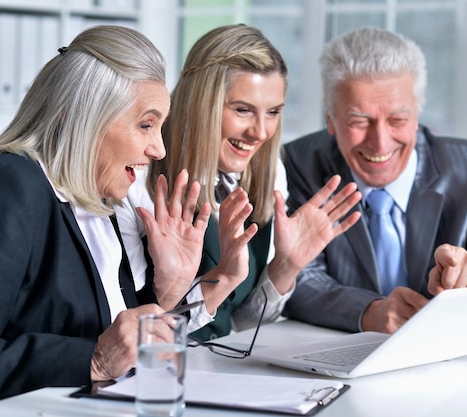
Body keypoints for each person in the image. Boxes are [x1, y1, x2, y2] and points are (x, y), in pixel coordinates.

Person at [0, 25, 210, 400]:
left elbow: (119, 338)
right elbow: (103, 353)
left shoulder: (102, 199)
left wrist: (169, 290)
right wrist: (92, 360)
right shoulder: (11, 186)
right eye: (146, 124)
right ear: (83, 115)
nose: (158, 149)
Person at [116, 24, 362, 341]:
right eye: (243, 110)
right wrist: (220, 278)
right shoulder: (138, 177)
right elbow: (129, 331)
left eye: (273, 112)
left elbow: (243, 323)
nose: (260, 132)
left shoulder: (267, 172)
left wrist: (285, 268)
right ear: (199, 103)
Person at [282, 27, 467, 334]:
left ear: (417, 114)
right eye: (359, 122)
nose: (381, 143)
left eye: (398, 121)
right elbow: (298, 281)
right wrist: (370, 312)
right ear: (331, 120)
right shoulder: (302, 161)